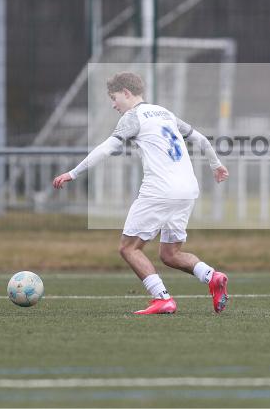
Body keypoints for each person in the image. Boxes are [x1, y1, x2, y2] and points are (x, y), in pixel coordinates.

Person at [53, 71, 230, 315]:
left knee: (128, 248)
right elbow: (200, 139)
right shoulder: (164, 113)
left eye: (114, 98)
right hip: (187, 189)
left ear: (126, 93)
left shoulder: (133, 116)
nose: (114, 105)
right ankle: (213, 276)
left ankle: (162, 298)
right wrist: (216, 165)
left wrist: (73, 173)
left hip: (160, 190)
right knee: (170, 254)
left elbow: (106, 149)